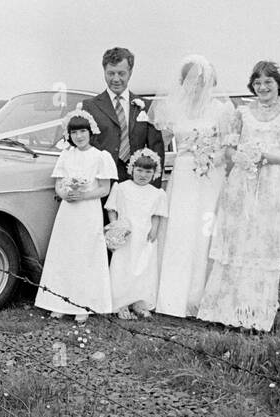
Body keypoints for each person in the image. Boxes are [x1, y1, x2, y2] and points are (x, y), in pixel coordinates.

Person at [198, 60, 280, 332]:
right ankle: (225, 311)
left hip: (272, 185)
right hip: (241, 185)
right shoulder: (242, 113)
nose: (262, 88)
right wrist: (243, 158)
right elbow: (228, 151)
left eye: (268, 82)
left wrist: (268, 158)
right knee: (237, 241)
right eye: (258, 83)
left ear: (279, 84)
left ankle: (255, 315)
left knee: (262, 242)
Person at [151, 54, 237, 319]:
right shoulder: (171, 109)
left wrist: (213, 156)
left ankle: (203, 298)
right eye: (192, 81)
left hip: (211, 177)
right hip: (184, 175)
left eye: (202, 82)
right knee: (181, 229)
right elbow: (159, 146)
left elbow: (229, 146)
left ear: (211, 83)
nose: (196, 86)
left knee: (205, 231)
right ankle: (172, 298)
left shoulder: (222, 110)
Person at [34, 109, 117, 323]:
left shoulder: (100, 156)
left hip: (88, 211)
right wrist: (64, 194)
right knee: (65, 253)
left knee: (85, 254)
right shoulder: (66, 155)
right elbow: (58, 183)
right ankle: (59, 302)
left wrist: (83, 195)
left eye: (82, 131)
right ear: (69, 135)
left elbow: (104, 189)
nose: (79, 136)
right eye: (74, 132)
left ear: (90, 132)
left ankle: (84, 304)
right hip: (68, 212)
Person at [83, 47, 167, 189]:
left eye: (121, 73)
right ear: (104, 72)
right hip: (102, 183)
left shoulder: (147, 106)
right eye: (111, 73)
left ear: (130, 73)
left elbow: (156, 149)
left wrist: (152, 189)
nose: (116, 79)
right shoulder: (90, 106)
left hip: (138, 184)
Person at [105, 148, 169, 320]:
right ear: (132, 169)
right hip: (126, 234)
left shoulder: (157, 193)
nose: (143, 175)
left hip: (144, 235)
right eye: (139, 170)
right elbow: (112, 209)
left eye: (148, 172)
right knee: (123, 266)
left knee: (144, 267)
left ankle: (139, 302)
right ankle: (121, 302)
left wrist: (154, 228)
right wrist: (115, 226)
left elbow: (157, 214)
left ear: (154, 173)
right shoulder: (122, 188)